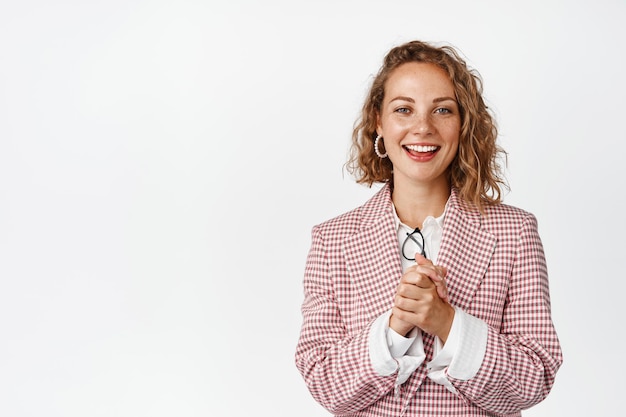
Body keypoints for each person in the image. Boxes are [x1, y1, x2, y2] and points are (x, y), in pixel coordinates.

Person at [294, 40, 562, 416]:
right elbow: (323, 383)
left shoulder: (514, 233)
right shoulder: (332, 240)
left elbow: (536, 377)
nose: (423, 127)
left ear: (463, 123)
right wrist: (394, 327)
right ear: (379, 122)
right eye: (404, 109)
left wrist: (448, 322)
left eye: (442, 110)